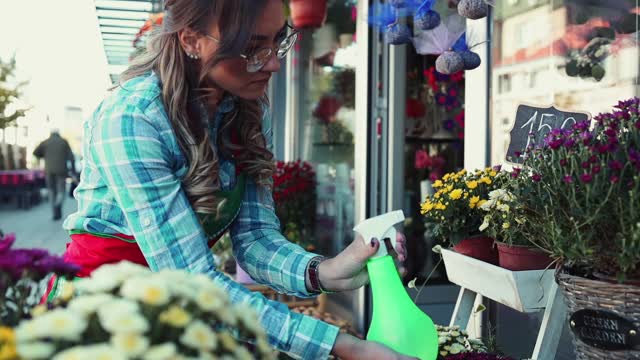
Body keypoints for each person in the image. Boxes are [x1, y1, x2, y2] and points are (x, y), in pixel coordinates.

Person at [49, 1, 415, 359]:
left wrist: (325, 270)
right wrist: (344, 345)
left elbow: (255, 239)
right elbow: (192, 279)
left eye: (278, 40)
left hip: (174, 315)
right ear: (191, 40)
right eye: (252, 48)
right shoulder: (132, 120)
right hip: (99, 322)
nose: (273, 63)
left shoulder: (246, 109)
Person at [33, 128, 75, 220]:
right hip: (62, 171)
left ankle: (54, 212)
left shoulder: (45, 142)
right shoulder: (64, 142)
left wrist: (43, 156)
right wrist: (73, 171)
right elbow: (71, 157)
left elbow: (35, 153)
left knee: (52, 191)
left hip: (49, 171)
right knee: (61, 191)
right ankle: (58, 205)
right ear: (58, 133)